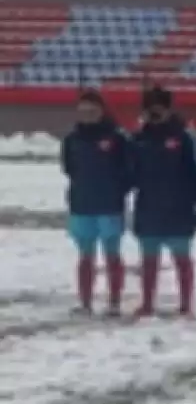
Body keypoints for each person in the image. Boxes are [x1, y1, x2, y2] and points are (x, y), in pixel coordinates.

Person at [128, 86, 196, 318]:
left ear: (169, 109)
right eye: (150, 108)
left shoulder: (185, 137)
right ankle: (147, 303)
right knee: (149, 260)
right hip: (148, 206)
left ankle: (186, 304)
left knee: (182, 259)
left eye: (159, 108)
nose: (155, 113)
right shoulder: (138, 138)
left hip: (179, 208)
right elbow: (130, 172)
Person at [60, 89, 132, 317]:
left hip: (109, 206)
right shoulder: (72, 139)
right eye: (83, 111)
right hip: (82, 204)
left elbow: (128, 169)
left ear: (102, 111)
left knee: (112, 254)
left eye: (92, 111)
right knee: (85, 255)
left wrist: (115, 190)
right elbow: (69, 168)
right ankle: (85, 301)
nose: (88, 115)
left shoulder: (117, 137)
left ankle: (114, 301)